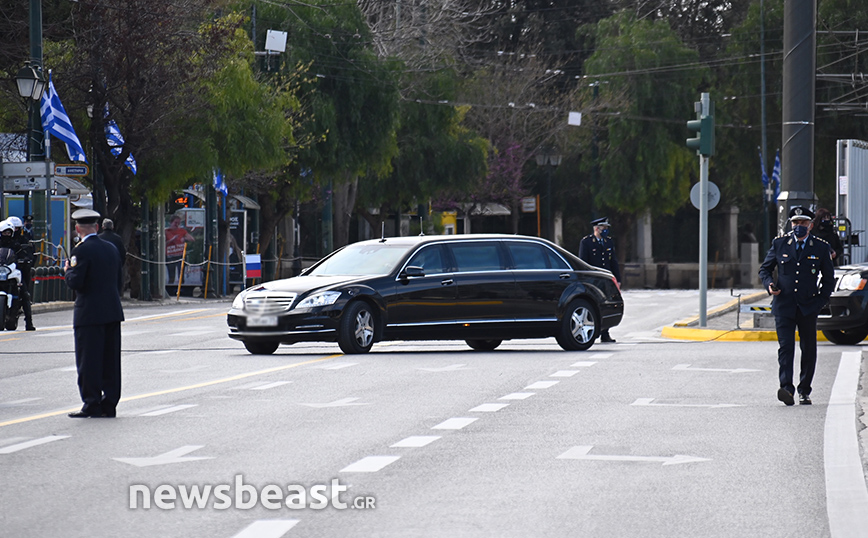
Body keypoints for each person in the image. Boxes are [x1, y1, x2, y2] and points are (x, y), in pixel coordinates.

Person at [758, 206, 835, 406]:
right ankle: (786, 389)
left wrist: (820, 301)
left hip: (809, 306)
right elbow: (765, 270)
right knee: (786, 348)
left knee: (808, 349)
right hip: (784, 305)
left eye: (802, 223)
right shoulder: (780, 243)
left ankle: (804, 390)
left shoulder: (820, 247)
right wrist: (769, 285)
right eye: (795, 223)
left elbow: (828, 279)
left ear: (810, 225)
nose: (798, 226)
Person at [64, 209, 125, 418]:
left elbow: (76, 282)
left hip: (89, 313)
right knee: (110, 361)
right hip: (112, 311)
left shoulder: (80, 251)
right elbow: (119, 280)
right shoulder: (111, 248)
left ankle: (92, 403)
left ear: (77, 229)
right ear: (97, 227)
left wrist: (67, 271)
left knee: (89, 361)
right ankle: (110, 404)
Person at [578, 217, 621, 343]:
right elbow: (583, 261)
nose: (606, 230)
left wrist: (617, 279)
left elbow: (613, 261)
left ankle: (605, 333)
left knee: (606, 305)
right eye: (604, 228)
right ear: (597, 228)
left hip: (606, 279)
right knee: (594, 304)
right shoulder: (587, 242)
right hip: (594, 280)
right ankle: (594, 331)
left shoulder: (608, 242)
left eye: (607, 228)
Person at [7, 216, 35, 331]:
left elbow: (30, 252)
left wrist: (26, 260)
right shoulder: (2, 239)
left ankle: (29, 321)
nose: (14, 231)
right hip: (4, 269)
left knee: (24, 293)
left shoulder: (23, 239)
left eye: (17, 229)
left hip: (17, 269)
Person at [166, 213, 194, 284]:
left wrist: (184, 238)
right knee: (171, 273)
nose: (177, 225)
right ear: (171, 223)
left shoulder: (182, 231)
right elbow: (163, 243)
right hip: (170, 255)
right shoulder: (166, 231)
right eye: (175, 223)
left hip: (180, 254)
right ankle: (171, 286)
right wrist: (172, 239)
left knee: (181, 272)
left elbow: (192, 239)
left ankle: (181, 285)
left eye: (178, 223)